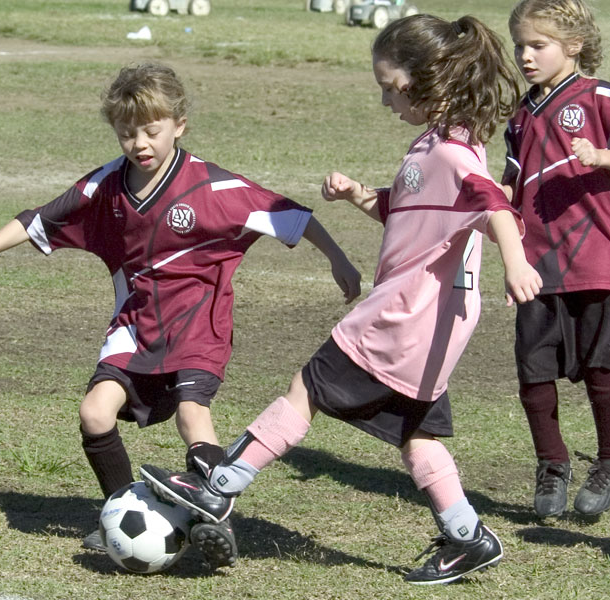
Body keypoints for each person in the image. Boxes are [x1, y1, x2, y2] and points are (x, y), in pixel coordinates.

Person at [140, 14, 543, 585]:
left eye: (390, 87)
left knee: (306, 389)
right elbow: (411, 212)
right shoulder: (441, 144)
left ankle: (220, 486)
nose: (385, 101)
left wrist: (517, 263)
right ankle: (466, 536)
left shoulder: (454, 153)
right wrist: (360, 195)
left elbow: (495, 205)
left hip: (404, 313)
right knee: (417, 434)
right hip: (435, 326)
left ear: (425, 80)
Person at [0, 63, 361, 569]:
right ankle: (119, 509)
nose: (139, 144)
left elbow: (293, 216)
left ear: (180, 125)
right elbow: (37, 219)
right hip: (135, 325)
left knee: (191, 415)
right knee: (94, 413)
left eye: (151, 131)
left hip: (198, 325)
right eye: (126, 133)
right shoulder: (106, 185)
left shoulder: (214, 187)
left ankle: (215, 517)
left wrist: (339, 259)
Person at [502, 0, 610, 519]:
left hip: (598, 260)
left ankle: (607, 463)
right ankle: (552, 463)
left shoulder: (598, 96)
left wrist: (602, 157)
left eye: (538, 45)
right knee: (533, 370)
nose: (525, 56)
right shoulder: (520, 113)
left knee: (602, 371)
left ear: (574, 46)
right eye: (519, 45)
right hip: (536, 265)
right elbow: (512, 182)